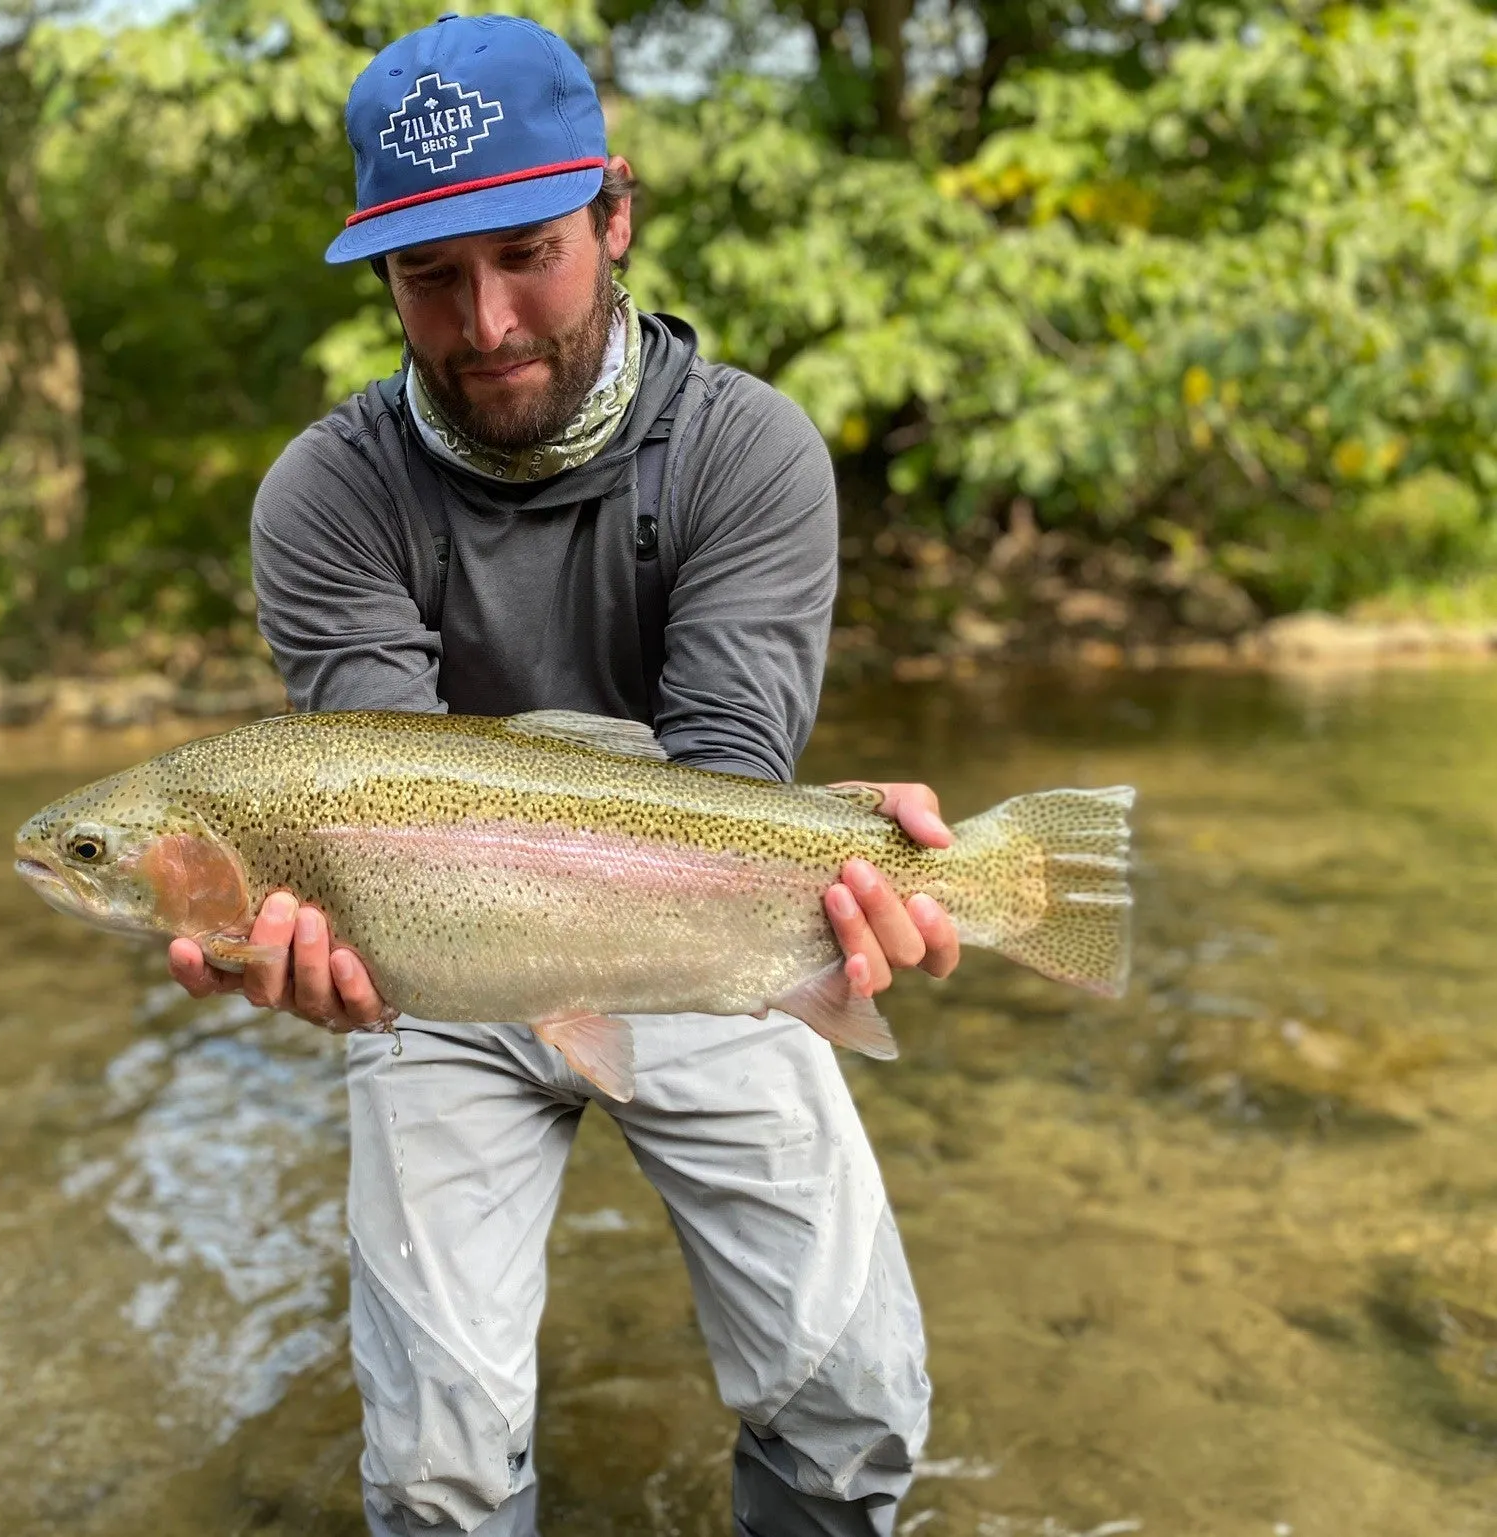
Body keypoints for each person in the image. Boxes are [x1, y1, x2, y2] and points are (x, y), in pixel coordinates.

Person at [167, 15, 959, 1536]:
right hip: (440, 970)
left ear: (615, 215)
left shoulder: (747, 451)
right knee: (435, 1472)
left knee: (855, 1403)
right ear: (389, 281)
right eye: (430, 276)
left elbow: (727, 772)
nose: (485, 320)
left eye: (528, 249)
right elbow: (365, 788)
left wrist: (840, 884)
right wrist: (330, 952)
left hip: (686, 928)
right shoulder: (325, 496)